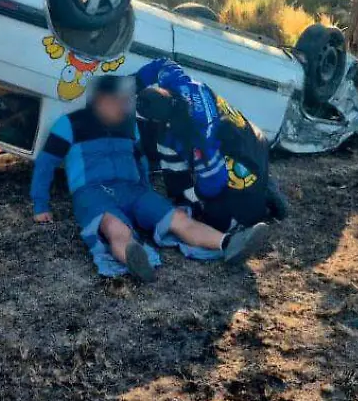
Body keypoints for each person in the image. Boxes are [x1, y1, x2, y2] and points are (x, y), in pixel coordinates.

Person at [30, 75, 271, 282]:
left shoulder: (128, 125)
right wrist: (40, 204)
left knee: (176, 218)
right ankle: (135, 260)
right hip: (92, 192)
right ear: (101, 101)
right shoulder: (69, 124)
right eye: (119, 102)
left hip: (133, 189)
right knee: (114, 227)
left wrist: (145, 190)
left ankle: (229, 243)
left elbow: (140, 158)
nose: (125, 107)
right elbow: (46, 163)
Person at [133, 58, 288, 232]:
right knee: (170, 149)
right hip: (251, 134)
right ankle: (261, 182)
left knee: (217, 221)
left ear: (159, 121)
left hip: (240, 152)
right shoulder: (177, 83)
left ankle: (263, 196)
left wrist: (194, 199)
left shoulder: (196, 134)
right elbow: (163, 64)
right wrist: (134, 82)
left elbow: (213, 182)